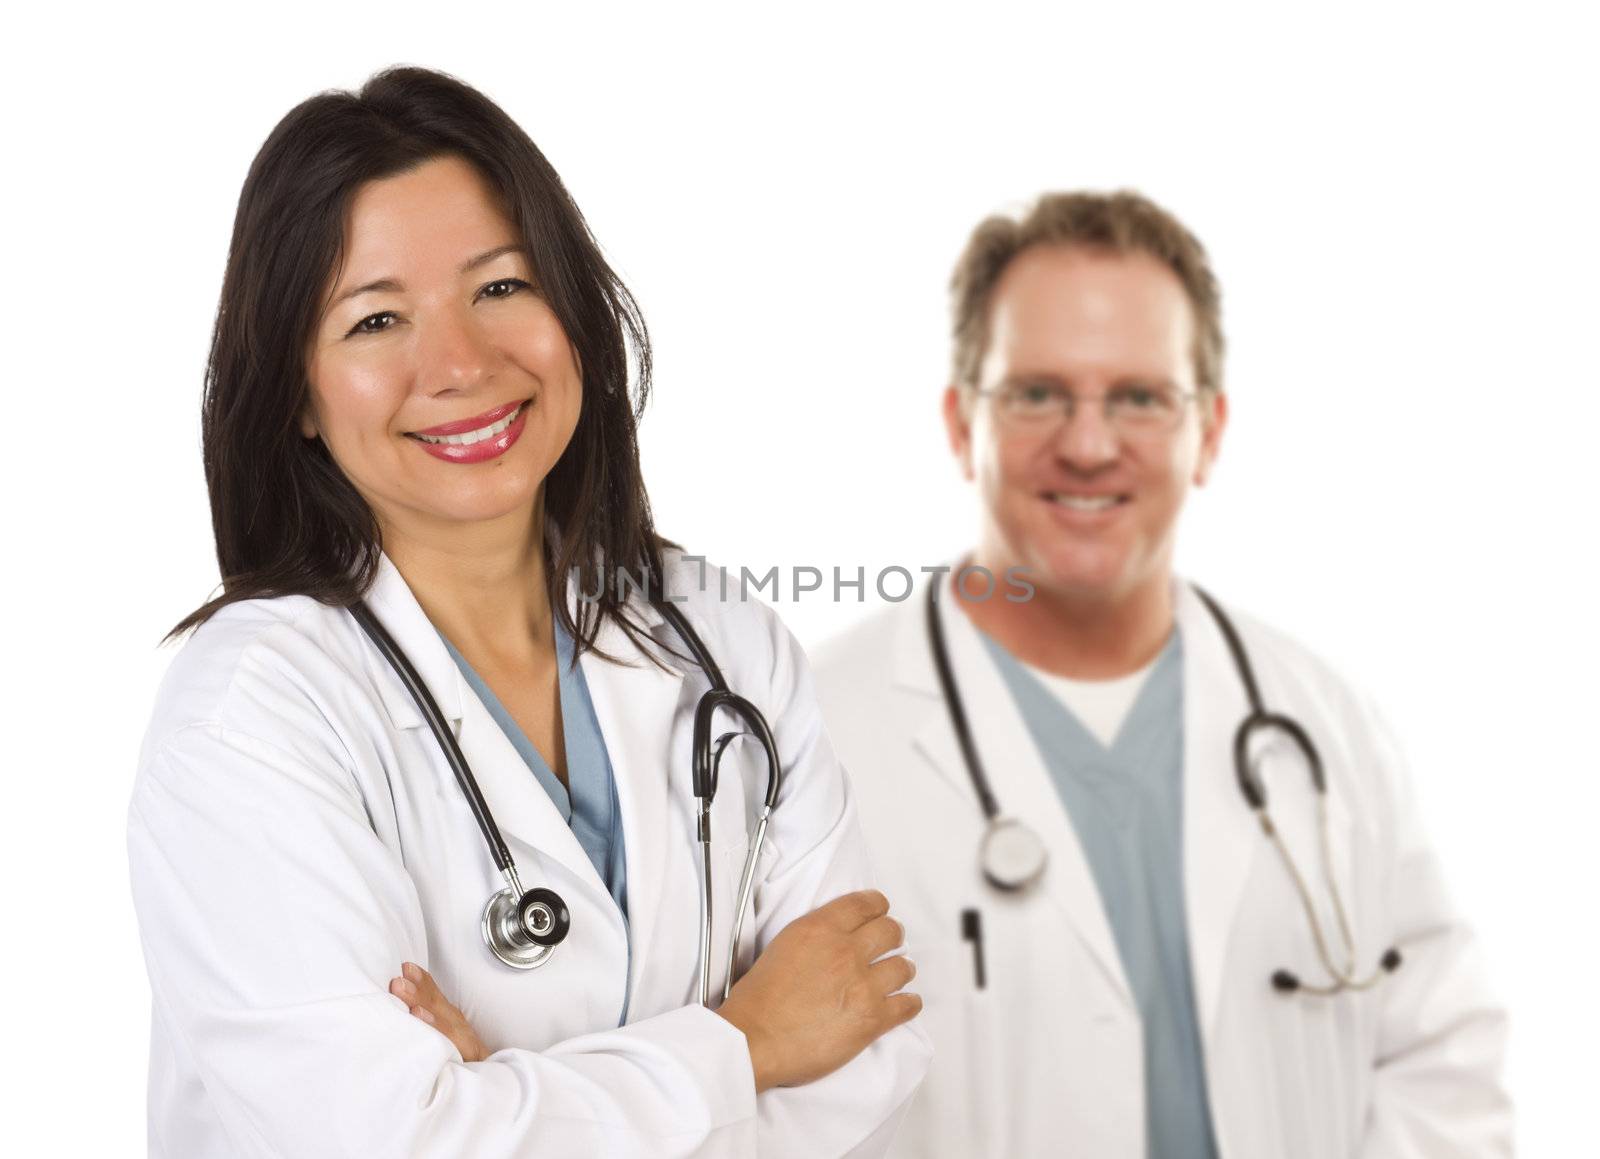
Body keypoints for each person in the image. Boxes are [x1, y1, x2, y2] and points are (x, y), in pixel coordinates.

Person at [126, 66, 928, 1158]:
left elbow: (870, 1045)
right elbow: (386, 1140)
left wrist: (513, 1097)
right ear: (298, 396)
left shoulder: (718, 637)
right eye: (375, 319)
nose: (459, 362)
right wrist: (747, 1043)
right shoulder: (252, 715)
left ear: (576, 314)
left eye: (500, 288)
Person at [809, 191, 1511, 1157]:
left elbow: (1442, 1066)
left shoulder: (1325, 724)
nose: (1089, 444)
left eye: (1140, 396)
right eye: (1036, 392)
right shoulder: (817, 740)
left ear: (1210, 430)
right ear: (960, 422)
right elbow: (763, 1106)